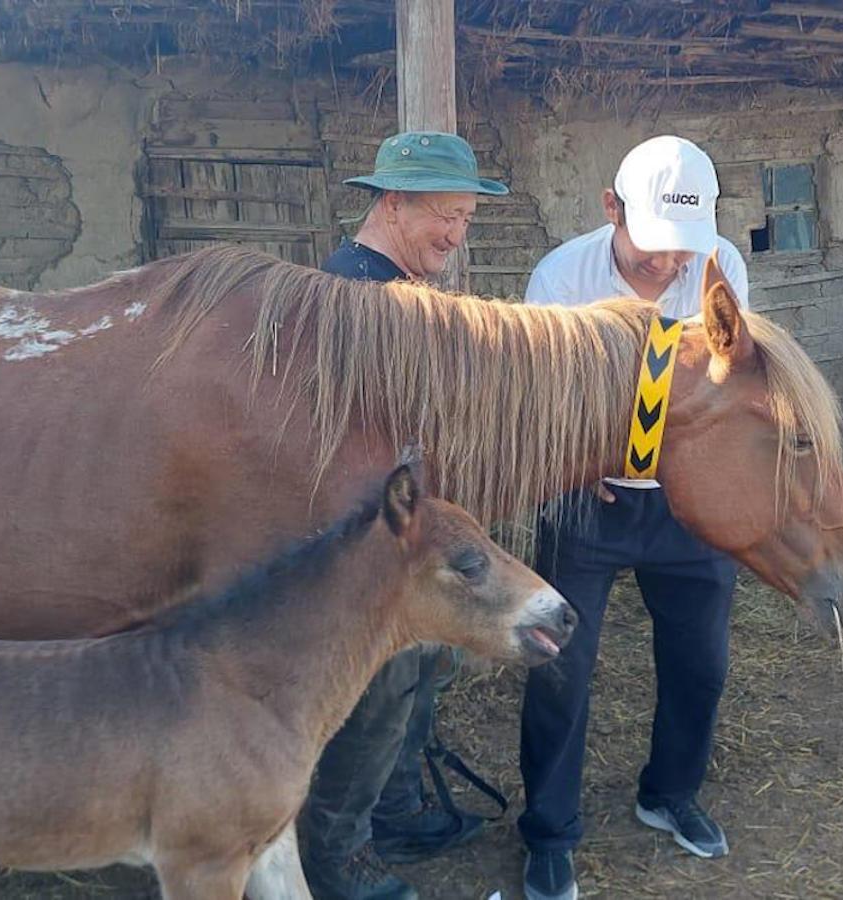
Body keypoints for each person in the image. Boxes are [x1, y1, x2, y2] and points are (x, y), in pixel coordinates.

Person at [519, 135, 750, 900]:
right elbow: (535, 397)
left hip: (687, 505)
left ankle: (669, 792)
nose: (669, 267)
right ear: (611, 209)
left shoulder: (721, 268)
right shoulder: (561, 277)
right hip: (586, 499)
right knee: (559, 669)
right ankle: (549, 833)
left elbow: (734, 380)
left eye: (683, 251)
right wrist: (573, 461)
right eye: (653, 249)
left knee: (701, 663)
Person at [300, 130, 509, 900]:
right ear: (391, 203)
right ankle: (338, 852)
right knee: (379, 689)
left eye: (465, 218)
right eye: (444, 216)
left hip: (402, 526)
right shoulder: (354, 295)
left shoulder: (398, 291)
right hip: (359, 536)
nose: (456, 234)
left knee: (420, 670)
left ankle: (394, 805)